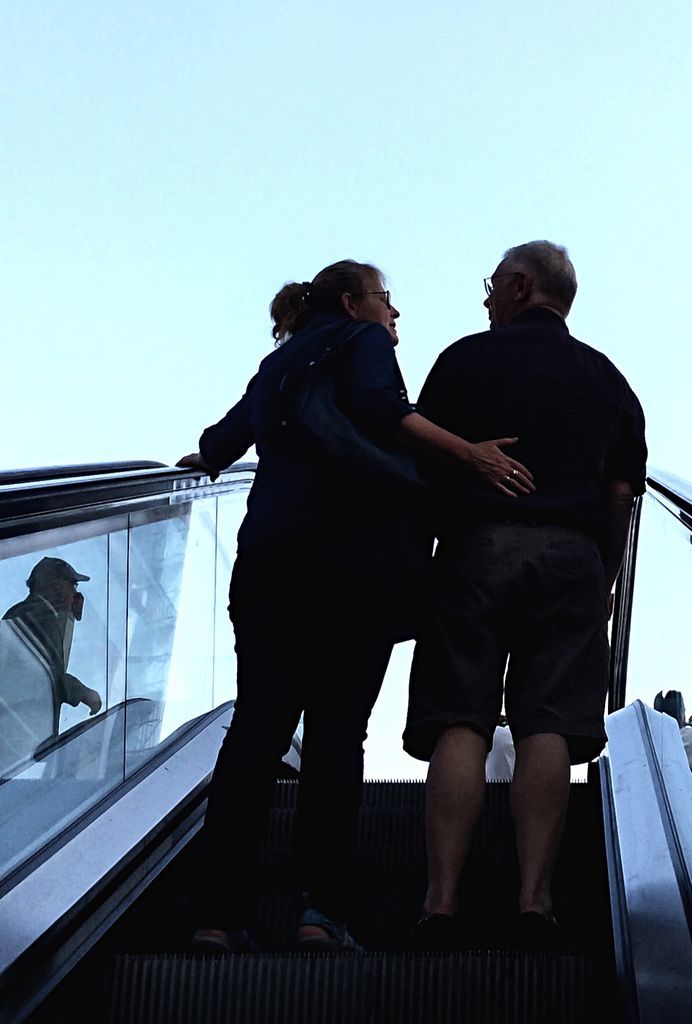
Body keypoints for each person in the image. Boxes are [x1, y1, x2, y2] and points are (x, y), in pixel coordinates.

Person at [178, 259, 534, 953]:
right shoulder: (358, 339)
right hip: (356, 565)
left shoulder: (280, 361)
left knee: (256, 732)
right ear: (352, 302)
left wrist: (197, 463)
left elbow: (225, 439)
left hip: (270, 562)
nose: (395, 319)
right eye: (387, 302)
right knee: (336, 736)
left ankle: (216, 916)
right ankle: (320, 912)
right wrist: (470, 455)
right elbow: (379, 406)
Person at [403, 241, 646, 946]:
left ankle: (441, 905)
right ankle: (534, 903)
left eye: (491, 286)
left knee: (462, 719)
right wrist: (601, 579)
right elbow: (622, 494)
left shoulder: (465, 359)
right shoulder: (608, 380)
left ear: (517, 287)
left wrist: (421, 563)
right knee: (547, 728)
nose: (486, 299)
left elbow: (417, 466)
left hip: (475, 551)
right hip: (572, 557)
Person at [2, 557, 102, 746]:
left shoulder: (29, 612)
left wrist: (70, 614)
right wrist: (85, 693)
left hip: (19, 726)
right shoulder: (37, 614)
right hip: (19, 728)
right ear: (57, 585)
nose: (76, 592)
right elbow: (48, 677)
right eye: (73, 585)